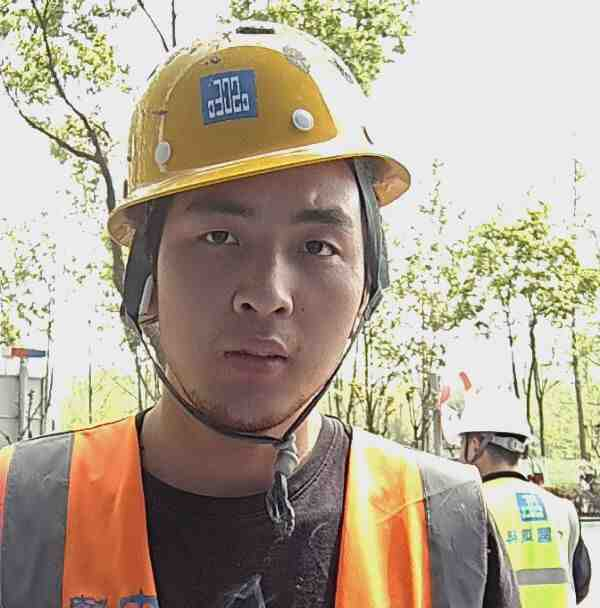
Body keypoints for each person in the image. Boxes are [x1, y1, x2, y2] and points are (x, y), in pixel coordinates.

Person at [0, 23, 520, 607]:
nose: (268, 294)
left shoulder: (446, 528)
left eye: (317, 247)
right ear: (146, 275)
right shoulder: (18, 513)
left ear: (367, 284)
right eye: (220, 237)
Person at [452, 387, 592, 606]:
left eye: (462, 443)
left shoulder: (468, 509)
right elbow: (580, 584)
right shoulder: (563, 510)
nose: (459, 454)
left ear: (476, 444)